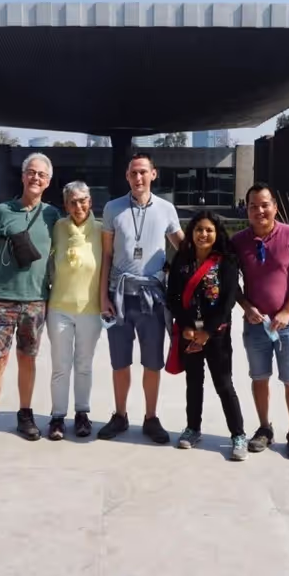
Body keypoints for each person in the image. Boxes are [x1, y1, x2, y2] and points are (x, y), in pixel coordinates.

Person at [0, 153, 60, 449]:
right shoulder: (2, 211)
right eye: (31, 173)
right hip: (1, 299)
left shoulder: (53, 216)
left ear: (48, 182)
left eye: (41, 175)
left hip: (36, 299)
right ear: (23, 177)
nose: (36, 178)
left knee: (28, 359)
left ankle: (25, 414)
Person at [98, 153, 184, 444]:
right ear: (127, 176)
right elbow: (107, 256)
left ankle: (150, 417)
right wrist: (102, 297)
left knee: (152, 362)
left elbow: (183, 248)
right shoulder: (112, 208)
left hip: (153, 298)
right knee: (119, 362)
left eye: (143, 172)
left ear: (153, 175)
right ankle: (120, 415)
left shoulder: (166, 209)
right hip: (119, 296)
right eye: (133, 172)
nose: (138, 178)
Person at [232, 183, 289, 460]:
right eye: (253, 206)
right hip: (256, 323)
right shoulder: (239, 241)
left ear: (275, 207)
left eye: (265, 205)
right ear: (247, 210)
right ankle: (265, 428)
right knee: (259, 377)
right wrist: (245, 306)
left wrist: (288, 310)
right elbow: (230, 282)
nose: (259, 210)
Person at [166, 211, 247, 460]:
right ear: (191, 233)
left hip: (217, 335)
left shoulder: (227, 261)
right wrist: (187, 326)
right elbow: (174, 297)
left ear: (217, 233)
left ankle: (238, 435)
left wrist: (207, 332)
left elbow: (228, 301)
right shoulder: (182, 260)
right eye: (199, 229)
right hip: (190, 332)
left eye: (209, 230)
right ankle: (192, 428)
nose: (204, 234)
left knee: (224, 384)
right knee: (193, 383)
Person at [46, 181, 102, 440]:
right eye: (72, 202)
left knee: (84, 365)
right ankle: (57, 417)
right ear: (65, 205)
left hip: (90, 309)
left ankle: (82, 414)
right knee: (60, 365)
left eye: (82, 201)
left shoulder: (102, 231)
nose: (78, 206)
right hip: (59, 308)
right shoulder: (57, 228)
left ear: (90, 202)